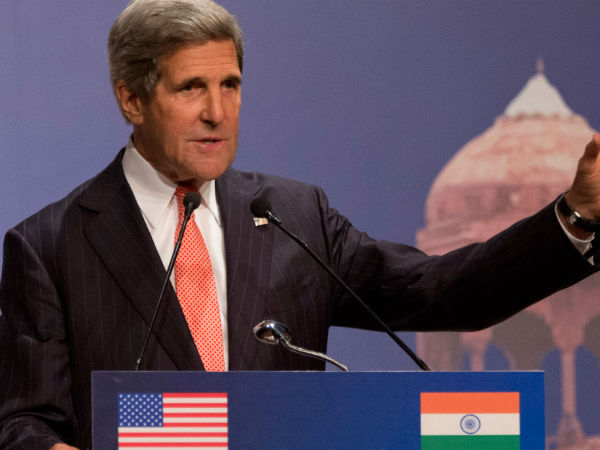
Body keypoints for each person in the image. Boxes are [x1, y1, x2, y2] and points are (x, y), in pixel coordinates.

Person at [0, 0, 599, 449]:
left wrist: (575, 216)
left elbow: (442, 290)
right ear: (131, 99)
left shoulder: (293, 214)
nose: (217, 112)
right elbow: (26, 422)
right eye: (192, 88)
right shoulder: (49, 245)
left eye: (230, 85)